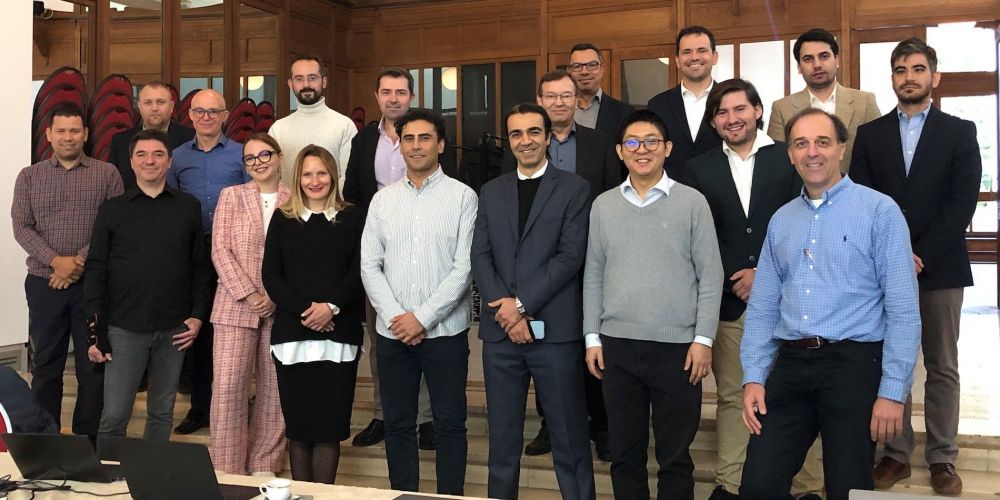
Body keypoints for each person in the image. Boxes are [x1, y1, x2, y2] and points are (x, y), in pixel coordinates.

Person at [739, 108, 921, 500]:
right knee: (757, 485)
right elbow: (764, 306)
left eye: (822, 142)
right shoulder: (781, 220)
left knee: (849, 488)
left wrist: (893, 391)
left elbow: (904, 310)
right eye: (801, 144)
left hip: (853, 365)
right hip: (790, 365)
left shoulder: (880, 211)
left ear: (841, 148)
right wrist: (754, 375)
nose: (812, 152)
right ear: (790, 154)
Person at [851, 38, 982, 496]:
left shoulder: (959, 131)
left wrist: (919, 252)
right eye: (901, 69)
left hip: (941, 267)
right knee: (894, 361)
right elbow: (862, 199)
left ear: (934, 77)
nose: (909, 77)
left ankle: (943, 456)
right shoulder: (870, 135)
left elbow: (961, 202)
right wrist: (895, 253)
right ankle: (896, 454)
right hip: (884, 270)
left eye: (918, 68)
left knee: (942, 365)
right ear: (892, 78)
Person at [584, 109, 723, 500]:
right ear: (620, 151)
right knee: (624, 454)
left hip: (678, 349)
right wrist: (592, 337)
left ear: (667, 148)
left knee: (675, 457)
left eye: (651, 142)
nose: (641, 149)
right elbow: (593, 275)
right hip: (617, 347)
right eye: (632, 142)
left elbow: (710, 275)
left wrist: (703, 340)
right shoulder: (603, 205)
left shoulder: (693, 203)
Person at [681, 79, 803, 500]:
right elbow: (701, 235)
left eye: (739, 109)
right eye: (722, 113)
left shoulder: (789, 157)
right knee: (734, 396)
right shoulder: (698, 169)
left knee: (794, 396)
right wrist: (737, 273)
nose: (732, 119)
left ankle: (806, 486)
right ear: (713, 122)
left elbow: (803, 223)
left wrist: (761, 273)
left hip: (789, 301)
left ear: (757, 111)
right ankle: (730, 484)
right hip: (729, 302)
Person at [472, 103, 596, 500]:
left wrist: (521, 304)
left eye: (533, 132)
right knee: (502, 440)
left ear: (547, 137)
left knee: (569, 437)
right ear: (509, 141)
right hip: (500, 335)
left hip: (554, 333)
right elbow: (481, 256)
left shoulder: (575, 189)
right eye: (516, 134)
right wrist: (506, 309)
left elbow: (570, 257)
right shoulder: (491, 191)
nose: (525, 141)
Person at [500, 69, 619, 460]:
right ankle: (550, 424)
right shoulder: (522, 142)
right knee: (544, 347)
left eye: (566, 95)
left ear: (577, 99)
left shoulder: (601, 143)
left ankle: (601, 426)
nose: (559, 102)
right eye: (550, 96)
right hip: (538, 271)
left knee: (590, 346)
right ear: (541, 101)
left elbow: (611, 197)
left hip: (590, 263)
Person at [360, 110, 476, 496]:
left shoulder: (463, 197)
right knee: (397, 425)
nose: (416, 146)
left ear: (440, 144)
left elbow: (464, 268)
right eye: (408, 138)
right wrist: (398, 317)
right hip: (393, 334)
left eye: (425, 138)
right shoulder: (382, 201)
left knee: (450, 425)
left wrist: (422, 318)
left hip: (445, 334)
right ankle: (404, 494)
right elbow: (369, 265)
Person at [86, 129, 212, 458]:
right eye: (141, 155)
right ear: (131, 162)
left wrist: (198, 316)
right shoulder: (112, 209)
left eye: (158, 154)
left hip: (175, 328)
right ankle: (109, 475)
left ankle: (151, 477)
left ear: (169, 161)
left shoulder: (188, 207)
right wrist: (96, 330)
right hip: (124, 327)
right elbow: (96, 268)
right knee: (115, 414)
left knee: (162, 412)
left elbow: (200, 267)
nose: (150, 161)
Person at [11, 102, 123, 441]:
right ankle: (45, 440)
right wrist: (55, 261)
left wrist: (76, 263)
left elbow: (113, 226)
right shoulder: (29, 176)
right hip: (44, 283)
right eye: (61, 131)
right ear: (49, 134)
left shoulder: (107, 174)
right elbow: (21, 226)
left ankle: (87, 442)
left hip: (92, 286)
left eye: (75, 130)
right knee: (46, 364)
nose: (68, 137)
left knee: (92, 365)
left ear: (86, 133)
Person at [343, 68, 436, 450]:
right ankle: (384, 414)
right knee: (382, 337)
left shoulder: (427, 134)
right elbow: (352, 194)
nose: (393, 98)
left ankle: (427, 418)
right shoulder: (364, 140)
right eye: (386, 92)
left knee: (426, 331)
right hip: (379, 254)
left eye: (400, 91)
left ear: (411, 96)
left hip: (426, 250)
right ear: (377, 96)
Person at [262, 144, 365, 485]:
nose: (315, 180)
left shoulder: (352, 217)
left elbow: (360, 270)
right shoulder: (283, 218)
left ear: (333, 176)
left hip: (339, 334)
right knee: (299, 429)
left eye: (321, 173)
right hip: (293, 335)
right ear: (298, 178)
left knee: (328, 430)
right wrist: (308, 311)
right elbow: (271, 275)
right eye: (307, 174)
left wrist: (330, 307)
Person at [169, 88, 251, 434]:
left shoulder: (241, 154)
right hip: (193, 251)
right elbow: (171, 202)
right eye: (199, 111)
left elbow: (251, 199)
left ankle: (235, 405)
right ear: (189, 115)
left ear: (225, 115)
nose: (206, 117)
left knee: (234, 328)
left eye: (213, 111)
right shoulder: (176, 157)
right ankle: (200, 407)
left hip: (234, 251)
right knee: (199, 328)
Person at [208, 133, 290, 475]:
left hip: (281, 309)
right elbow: (220, 250)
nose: (258, 162)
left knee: (275, 391)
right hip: (234, 306)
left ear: (280, 157)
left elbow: (299, 256)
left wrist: (275, 296)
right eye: (250, 158)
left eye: (265, 154)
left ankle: (264, 463)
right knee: (228, 389)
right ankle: (227, 467)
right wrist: (251, 294)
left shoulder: (294, 198)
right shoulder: (231, 196)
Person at [767, 28, 881, 173]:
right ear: (799, 67)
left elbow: (879, 154)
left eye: (824, 56)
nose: (817, 65)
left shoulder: (864, 102)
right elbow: (777, 164)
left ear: (837, 60)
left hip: (855, 185)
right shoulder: (782, 108)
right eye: (808, 59)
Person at [270, 54, 358, 190]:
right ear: (290, 84)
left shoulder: (344, 125)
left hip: (332, 203)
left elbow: (348, 177)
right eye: (299, 79)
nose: (306, 85)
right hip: (289, 203)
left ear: (324, 82)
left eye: (312, 78)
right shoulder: (278, 129)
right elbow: (273, 176)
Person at [646, 26, 723, 179]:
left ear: (714, 57)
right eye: (687, 52)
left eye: (702, 50)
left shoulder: (729, 101)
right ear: (677, 60)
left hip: (721, 188)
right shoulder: (657, 105)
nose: (694, 57)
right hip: (672, 190)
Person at [108, 81, 194, 190]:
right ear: (139, 107)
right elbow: (114, 184)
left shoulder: (191, 138)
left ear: (171, 106)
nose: (154, 108)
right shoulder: (120, 141)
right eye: (148, 102)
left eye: (161, 102)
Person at [568, 43, 634, 138]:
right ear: (569, 71)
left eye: (592, 65)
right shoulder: (557, 109)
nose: (584, 72)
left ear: (602, 69)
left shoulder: (624, 112)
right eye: (577, 66)